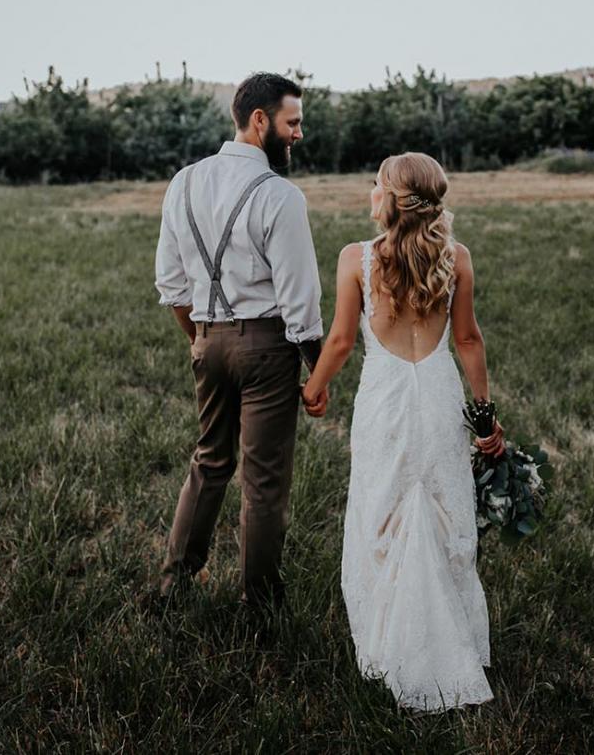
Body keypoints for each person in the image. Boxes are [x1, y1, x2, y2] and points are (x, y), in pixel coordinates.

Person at [301, 152, 502, 711]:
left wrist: (314, 387)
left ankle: (391, 643)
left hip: (385, 400)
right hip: (437, 396)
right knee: (442, 506)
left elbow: (340, 341)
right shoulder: (455, 258)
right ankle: (450, 637)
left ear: (391, 199)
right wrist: (484, 414)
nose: (369, 193)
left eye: (375, 185)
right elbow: (468, 341)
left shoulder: (356, 259)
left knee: (383, 506)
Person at [150, 72, 326, 613]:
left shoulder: (183, 183)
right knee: (264, 483)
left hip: (207, 341)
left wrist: (201, 340)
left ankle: (173, 582)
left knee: (209, 462)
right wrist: (316, 373)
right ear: (259, 120)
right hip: (269, 350)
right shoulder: (280, 195)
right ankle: (261, 605)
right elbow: (301, 301)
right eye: (292, 122)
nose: (298, 133)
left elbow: (171, 283)